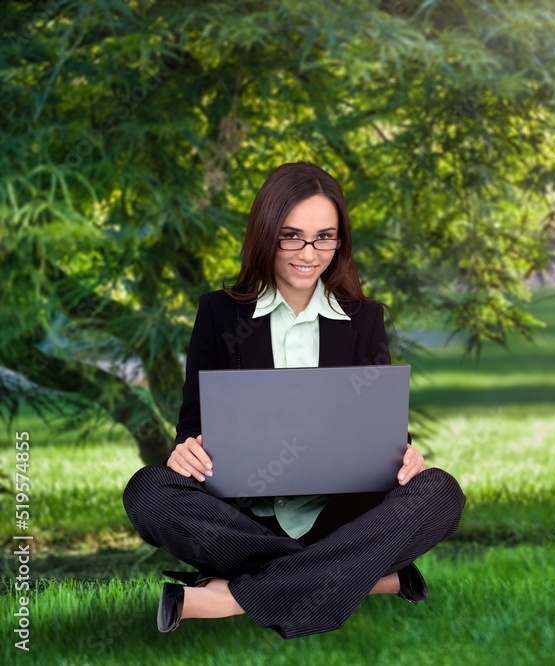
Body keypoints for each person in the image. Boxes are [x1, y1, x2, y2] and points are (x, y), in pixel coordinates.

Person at [122, 161, 465, 639]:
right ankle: (366, 576)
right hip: (244, 519)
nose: (310, 253)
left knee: (441, 491)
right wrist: (186, 450)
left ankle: (227, 596)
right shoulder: (220, 314)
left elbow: (383, 429)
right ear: (266, 235)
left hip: (342, 516)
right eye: (292, 237)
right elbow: (195, 423)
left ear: (340, 240)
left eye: (326, 237)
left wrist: (405, 457)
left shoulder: (364, 319)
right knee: (147, 492)